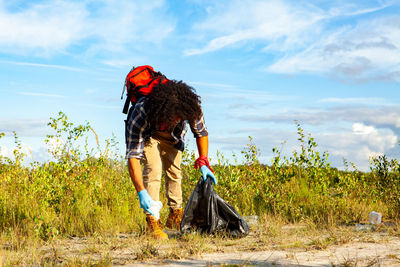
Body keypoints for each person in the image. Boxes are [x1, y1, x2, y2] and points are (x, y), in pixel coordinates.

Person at [125, 78, 217, 240]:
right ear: (162, 112)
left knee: (175, 171)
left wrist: (203, 160)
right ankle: (152, 221)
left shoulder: (190, 108)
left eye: (178, 118)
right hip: (149, 134)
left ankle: (175, 215)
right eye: (171, 118)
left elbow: (201, 133)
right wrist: (141, 191)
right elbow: (133, 156)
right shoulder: (142, 112)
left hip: (173, 137)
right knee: (153, 170)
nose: (175, 120)